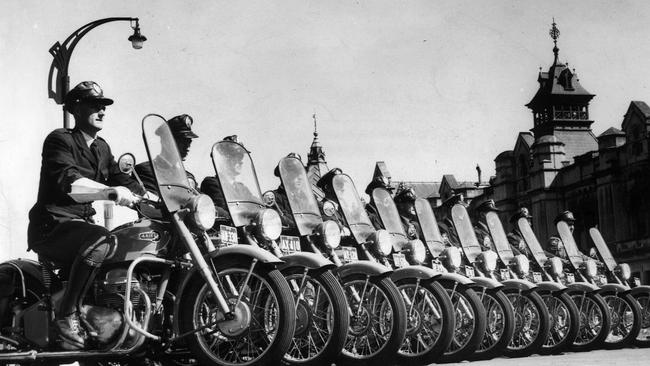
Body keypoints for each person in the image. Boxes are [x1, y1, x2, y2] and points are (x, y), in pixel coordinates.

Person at [27, 81, 141, 350]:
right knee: (102, 239)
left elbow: (124, 179)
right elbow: (69, 180)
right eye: (94, 105)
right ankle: (67, 314)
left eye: (104, 106)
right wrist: (111, 191)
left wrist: (156, 198)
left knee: (122, 243)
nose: (102, 111)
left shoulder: (102, 148)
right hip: (53, 225)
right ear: (75, 108)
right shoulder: (60, 139)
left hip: (80, 227)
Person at [135, 114, 198, 192]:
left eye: (189, 142)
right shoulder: (147, 170)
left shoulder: (187, 176)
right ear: (166, 141)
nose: (187, 146)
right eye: (182, 141)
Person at [201, 135, 254, 222]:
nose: (241, 161)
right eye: (236, 157)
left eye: (241, 157)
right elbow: (225, 207)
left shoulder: (242, 188)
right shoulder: (211, 183)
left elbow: (256, 207)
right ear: (225, 159)